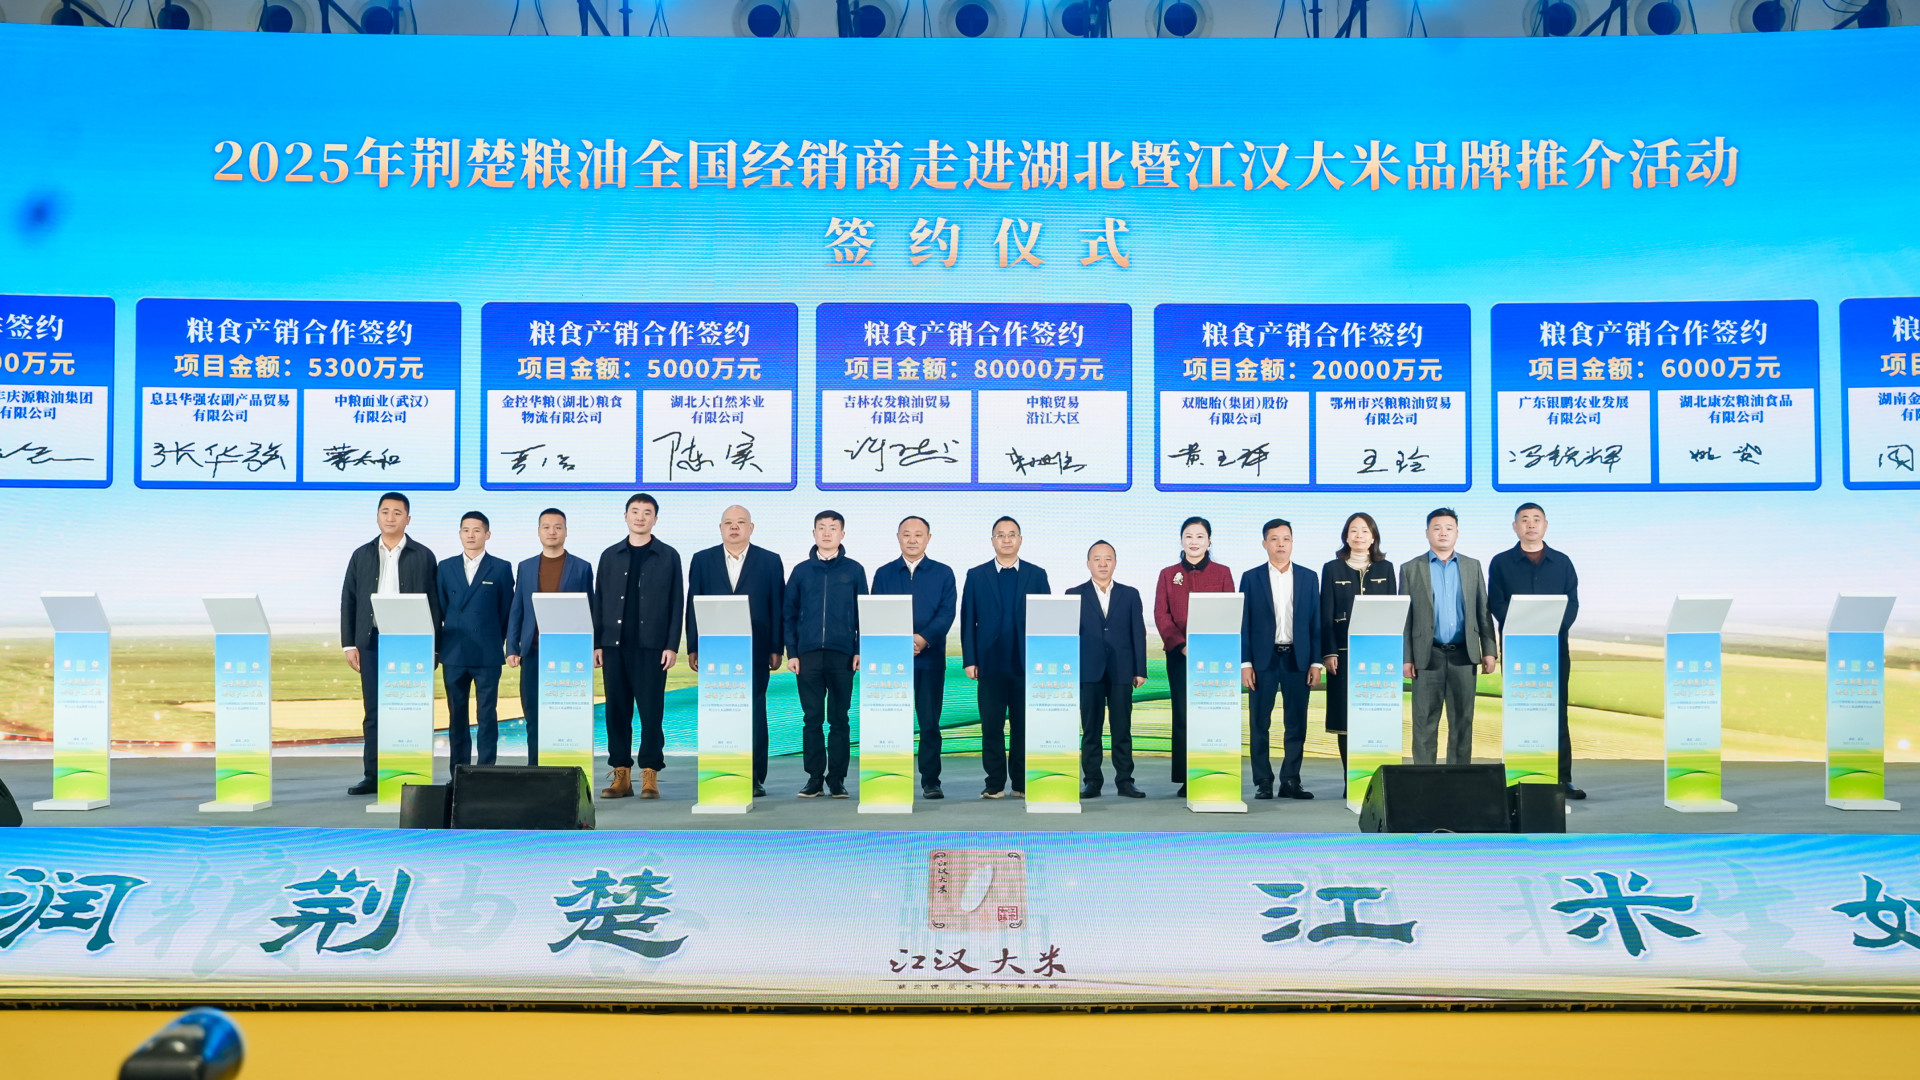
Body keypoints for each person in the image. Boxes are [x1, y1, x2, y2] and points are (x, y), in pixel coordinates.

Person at [339, 492, 442, 797]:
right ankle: (373, 775)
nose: (390, 517)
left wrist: (434, 647)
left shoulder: (424, 555)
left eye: (397, 512)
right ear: (377, 516)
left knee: (410, 709)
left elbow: (435, 604)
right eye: (385, 511)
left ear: (408, 519)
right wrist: (349, 644)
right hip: (372, 641)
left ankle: (410, 772)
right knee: (374, 710)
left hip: (412, 643)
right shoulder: (361, 555)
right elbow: (349, 599)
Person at [685, 505, 786, 798]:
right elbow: (693, 603)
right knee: (719, 712)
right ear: (720, 528)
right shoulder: (702, 560)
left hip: (756, 650)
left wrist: (776, 647)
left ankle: (753, 776)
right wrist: (693, 645)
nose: (734, 527)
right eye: (728, 522)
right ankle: (720, 771)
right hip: (715, 650)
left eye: (741, 522)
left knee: (754, 713)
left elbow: (777, 606)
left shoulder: (769, 561)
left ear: (751, 528)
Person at [1487, 501, 1583, 799]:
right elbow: (1496, 603)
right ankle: (1519, 778)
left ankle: (1562, 779)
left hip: (1554, 650)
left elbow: (1572, 603)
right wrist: (1523, 627)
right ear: (1515, 526)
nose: (1531, 524)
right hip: (1517, 650)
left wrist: (1550, 629)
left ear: (1545, 525)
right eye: (1525, 519)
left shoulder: (1562, 562)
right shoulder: (1501, 562)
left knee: (1557, 712)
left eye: (1536, 519)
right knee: (1520, 712)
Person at [592, 493, 683, 800]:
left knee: (651, 712)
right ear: (626, 516)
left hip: (652, 648)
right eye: (635, 511)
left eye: (647, 512)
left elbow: (677, 603)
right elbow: (599, 600)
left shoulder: (668, 556)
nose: (640, 517)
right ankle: (621, 775)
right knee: (616, 711)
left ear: (655, 519)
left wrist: (671, 645)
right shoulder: (610, 555)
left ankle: (650, 774)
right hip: (614, 646)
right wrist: (598, 642)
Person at [960, 516, 1051, 799]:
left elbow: (1047, 621)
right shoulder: (976, 575)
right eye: (1001, 535)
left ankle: (1021, 783)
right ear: (993, 541)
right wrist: (970, 659)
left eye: (1012, 534)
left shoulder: (1037, 575)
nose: (1007, 539)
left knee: (1023, 727)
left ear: (1020, 540)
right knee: (991, 726)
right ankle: (995, 783)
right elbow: (968, 620)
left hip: (1026, 665)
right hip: (989, 664)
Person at [1399, 508, 1497, 767]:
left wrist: (1489, 650)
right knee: (1424, 721)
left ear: (1457, 533)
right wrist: (1406, 657)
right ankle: (1424, 780)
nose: (1443, 533)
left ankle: (1459, 778)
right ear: (1427, 532)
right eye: (1437, 528)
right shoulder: (1411, 568)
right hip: (1426, 655)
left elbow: (1483, 610)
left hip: (1464, 654)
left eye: (1449, 528)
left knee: (1463, 720)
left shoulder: (1472, 566)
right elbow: (1405, 618)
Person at [870, 515, 957, 799]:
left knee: (929, 723)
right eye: (906, 534)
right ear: (898, 537)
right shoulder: (884, 574)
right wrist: (899, 643)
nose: (912, 540)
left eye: (918, 535)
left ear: (928, 539)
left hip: (930, 660)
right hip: (891, 663)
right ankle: (890, 778)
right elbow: (877, 613)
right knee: (892, 723)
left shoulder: (943, 573)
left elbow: (946, 613)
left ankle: (931, 781)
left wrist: (922, 639)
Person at [784, 510, 867, 798]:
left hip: (842, 655)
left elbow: (863, 614)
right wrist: (792, 652)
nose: (827, 533)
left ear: (842, 534)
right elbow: (789, 614)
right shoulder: (801, 571)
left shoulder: (854, 570)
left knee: (839, 719)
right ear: (814, 533)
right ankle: (814, 778)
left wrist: (859, 650)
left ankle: (837, 779)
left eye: (833, 528)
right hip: (807, 656)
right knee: (812, 718)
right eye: (821, 527)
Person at [1239, 518, 1322, 800]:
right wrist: (1246, 663)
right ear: (1264, 544)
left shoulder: (1309, 577)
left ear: (1292, 543)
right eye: (1274, 539)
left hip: (1297, 660)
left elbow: (1315, 623)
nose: (1280, 544)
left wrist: (1316, 662)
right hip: (1263, 661)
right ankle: (1263, 781)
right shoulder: (1251, 578)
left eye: (1286, 538)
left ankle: (1291, 780)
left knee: (1296, 723)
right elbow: (1244, 623)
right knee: (1259, 723)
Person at [505, 508, 593, 766]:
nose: (552, 532)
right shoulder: (526, 567)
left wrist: (592, 647)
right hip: (533, 652)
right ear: (539, 531)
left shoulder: (582, 567)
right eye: (546, 527)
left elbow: (591, 610)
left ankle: (567, 769)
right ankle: (535, 769)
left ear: (566, 531)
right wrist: (512, 647)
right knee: (533, 714)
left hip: (569, 656)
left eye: (558, 527)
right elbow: (517, 608)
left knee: (566, 714)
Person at [1153, 516, 1234, 798]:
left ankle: (1214, 773)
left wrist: (1210, 646)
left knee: (1212, 715)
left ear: (1209, 541)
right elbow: (1161, 614)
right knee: (1184, 715)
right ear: (1181, 541)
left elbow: (1229, 612)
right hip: (1180, 657)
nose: (1194, 541)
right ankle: (1188, 777)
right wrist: (1181, 645)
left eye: (1200, 536)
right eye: (1189, 536)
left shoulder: (1223, 573)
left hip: (1215, 658)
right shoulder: (1168, 574)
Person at [1318, 512, 1397, 788]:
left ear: (1373, 537)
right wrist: (1329, 652)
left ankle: (1375, 782)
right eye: (1353, 530)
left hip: (1377, 656)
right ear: (1346, 536)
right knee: (1345, 718)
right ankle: (1350, 780)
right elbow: (1325, 614)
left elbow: (1392, 612)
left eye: (1365, 531)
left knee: (1375, 715)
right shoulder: (1332, 568)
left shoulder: (1386, 568)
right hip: (1343, 655)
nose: (1359, 535)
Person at [1069, 541, 1147, 799]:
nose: (1103, 564)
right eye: (1097, 559)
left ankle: (1125, 781)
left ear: (1115, 562)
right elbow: (1068, 636)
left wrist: (1140, 669)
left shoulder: (1130, 594)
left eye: (1108, 558)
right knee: (1090, 730)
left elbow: (1138, 633)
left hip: (1121, 670)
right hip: (1088, 671)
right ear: (1088, 563)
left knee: (1122, 729)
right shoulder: (1073, 594)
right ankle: (1092, 781)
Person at [436, 512, 514, 769]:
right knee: (457, 715)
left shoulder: (501, 567)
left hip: (487, 652)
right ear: (459, 534)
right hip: (454, 652)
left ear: (487, 535)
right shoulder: (445, 567)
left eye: (477, 530)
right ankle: (458, 771)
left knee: (487, 714)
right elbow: (441, 609)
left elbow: (507, 611)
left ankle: (486, 770)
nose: (471, 535)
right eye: (466, 530)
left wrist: (496, 639)